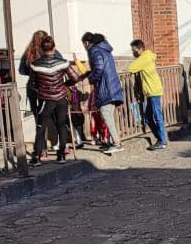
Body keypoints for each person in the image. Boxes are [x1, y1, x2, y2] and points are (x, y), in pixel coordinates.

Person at [27, 36, 74, 165]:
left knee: (41, 127)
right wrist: (64, 85)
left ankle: (36, 157)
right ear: (54, 48)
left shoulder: (35, 65)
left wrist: (41, 89)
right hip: (61, 98)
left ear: (42, 49)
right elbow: (75, 78)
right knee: (61, 125)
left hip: (45, 100)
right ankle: (61, 155)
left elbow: (32, 83)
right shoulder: (63, 62)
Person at [82, 32, 125, 155]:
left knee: (106, 116)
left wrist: (91, 78)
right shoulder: (104, 49)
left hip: (105, 88)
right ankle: (112, 142)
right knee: (108, 115)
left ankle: (117, 144)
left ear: (86, 42)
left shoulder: (94, 50)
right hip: (112, 87)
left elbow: (99, 68)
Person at [128, 39, 168, 150]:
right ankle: (160, 138)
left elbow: (131, 68)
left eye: (134, 50)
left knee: (157, 116)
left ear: (140, 49)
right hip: (151, 90)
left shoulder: (144, 58)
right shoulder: (147, 56)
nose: (133, 53)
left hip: (153, 90)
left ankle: (162, 141)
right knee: (148, 116)